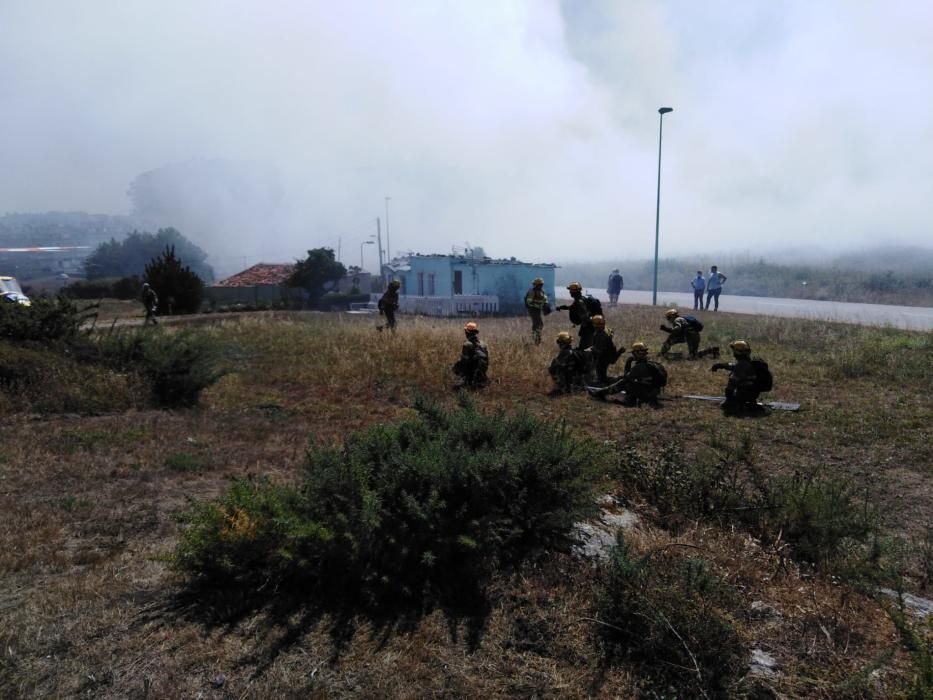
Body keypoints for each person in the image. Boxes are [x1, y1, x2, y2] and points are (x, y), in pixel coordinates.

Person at [711, 340, 772, 415]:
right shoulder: (748, 362)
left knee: (727, 405)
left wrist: (728, 397)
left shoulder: (741, 365)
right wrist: (722, 365)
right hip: (754, 390)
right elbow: (735, 367)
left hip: (746, 392)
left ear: (736, 353)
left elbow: (732, 382)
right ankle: (751, 402)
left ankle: (740, 405)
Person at [618, 342, 667, 407]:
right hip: (654, 390)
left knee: (627, 384)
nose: (633, 355)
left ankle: (632, 403)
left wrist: (628, 363)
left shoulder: (639, 367)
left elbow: (626, 377)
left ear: (638, 353)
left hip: (648, 392)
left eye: (634, 353)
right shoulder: (650, 363)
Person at [556, 282, 596, 350]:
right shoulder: (581, 299)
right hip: (588, 327)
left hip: (588, 328)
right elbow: (574, 308)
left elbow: (584, 316)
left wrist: (584, 324)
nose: (570, 292)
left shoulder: (579, 302)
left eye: (570, 291)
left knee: (585, 349)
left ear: (573, 292)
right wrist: (564, 307)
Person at [453, 321, 489, 388]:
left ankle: (467, 381)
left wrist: (456, 367)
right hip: (482, 371)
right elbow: (487, 359)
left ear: (467, 332)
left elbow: (464, 361)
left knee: (456, 367)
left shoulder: (467, 344)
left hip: (472, 371)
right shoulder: (483, 344)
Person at [589, 315, 623, 384]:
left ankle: (618, 381)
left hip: (602, 359)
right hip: (604, 358)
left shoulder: (600, 335)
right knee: (601, 377)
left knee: (601, 378)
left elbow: (601, 351)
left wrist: (592, 349)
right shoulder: (601, 334)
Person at [524, 277, 550, 345]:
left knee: (539, 324)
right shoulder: (532, 292)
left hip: (538, 310)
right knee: (537, 324)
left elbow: (545, 299)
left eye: (541, 284)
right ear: (535, 285)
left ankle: (537, 338)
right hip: (533, 310)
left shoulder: (542, 291)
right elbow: (529, 302)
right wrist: (538, 305)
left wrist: (546, 305)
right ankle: (536, 339)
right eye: (539, 284)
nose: (541, 286)